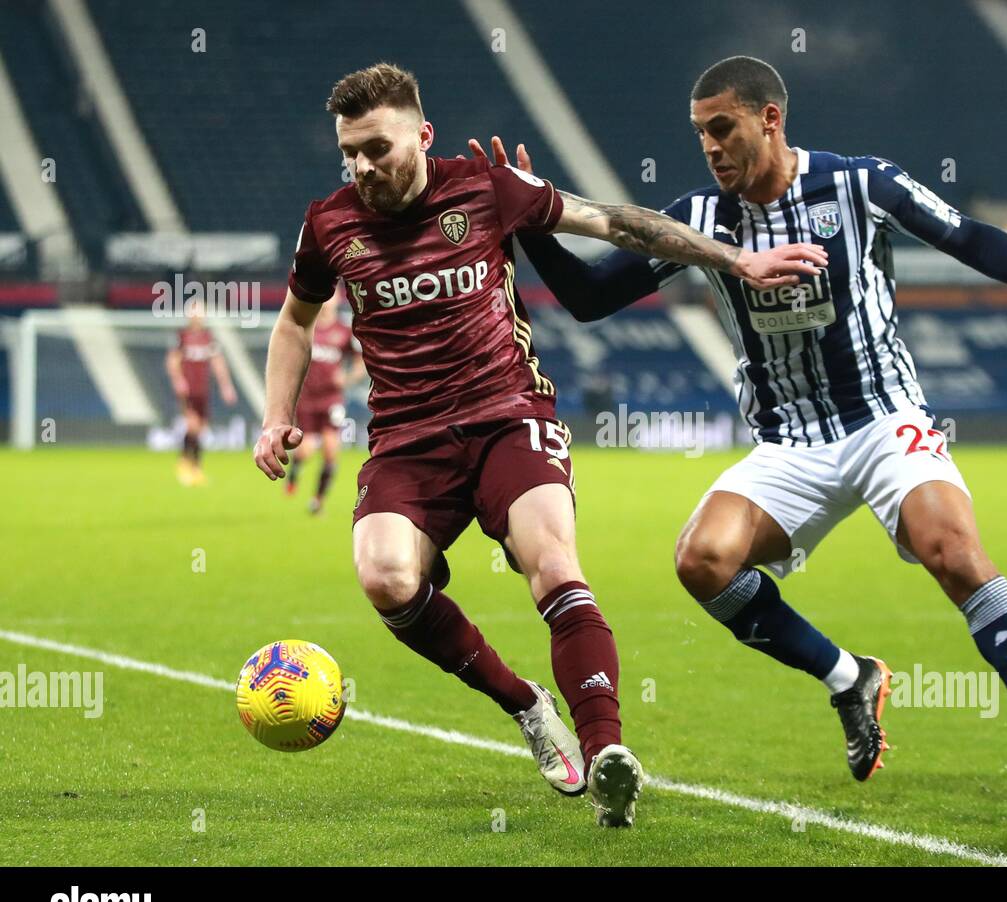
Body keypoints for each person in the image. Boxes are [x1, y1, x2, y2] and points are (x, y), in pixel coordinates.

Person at [501, 55, 1007, 813]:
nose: (709, 148)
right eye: (699, 134)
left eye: (722, 128)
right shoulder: (702, 222)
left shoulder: (858, 183)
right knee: (702, 560)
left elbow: (965, 235)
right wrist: (533, 223)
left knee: (955, 552)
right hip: (788, 445)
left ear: (769, 119)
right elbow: (588, 297)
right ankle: (850, 678)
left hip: (883, 419)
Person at [252, 62, 826, 827]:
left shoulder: (485, 190)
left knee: (551, 563)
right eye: (349, 152)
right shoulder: (329, 223)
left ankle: (606, 752)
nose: (362, 167)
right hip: (406, 440)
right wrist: (273, 416)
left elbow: (618, 223)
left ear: (422, 136)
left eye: (377, 149)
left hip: (508, 416)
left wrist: (737, 260)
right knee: (387, 579)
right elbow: (295, 320)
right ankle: (525, 706)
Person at [286, 288, 366, 514]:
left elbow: (361, 362)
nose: (328, 301)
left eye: (331, 297)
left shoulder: (343, 331)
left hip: (332, 399)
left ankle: (318, 501)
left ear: (337, 299)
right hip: (307, 398)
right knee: (307, 448)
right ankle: (295, 469)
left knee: (332, 451)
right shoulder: (307, 327)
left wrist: (347, 377)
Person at [166, 300, 237, 486]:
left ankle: (192, 466)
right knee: (193, 426)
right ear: (188, 315)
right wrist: (178, 380)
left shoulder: (209, 337)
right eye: (194, 312)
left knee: (200, 429)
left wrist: (226, 386)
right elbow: (173, 360)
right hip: (187, 390)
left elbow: (217, 362)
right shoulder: (181, 336)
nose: (197, 316)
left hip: (203, 390)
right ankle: (186, 463)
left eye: (200, 312)